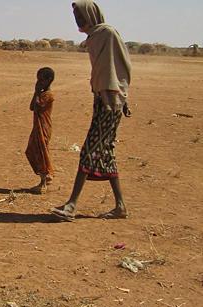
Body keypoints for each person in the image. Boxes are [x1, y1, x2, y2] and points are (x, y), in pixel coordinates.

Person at [51, 0, 132, 221]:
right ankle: (121, 207)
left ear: (92, 15)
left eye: (81, 16)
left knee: (89, 150)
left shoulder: (107, 33)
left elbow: (121, 66)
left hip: (110, 100)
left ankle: (71, 205)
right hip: (103, 99)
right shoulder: (95, 37)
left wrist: (118, 96)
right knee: (105, 151)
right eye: (76, 17)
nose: (78, 21)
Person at [26, 67, 55, 194]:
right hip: (37, 127)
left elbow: (37, 105)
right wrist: (36, 92)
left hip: (43, 127)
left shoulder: (48, 95)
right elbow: (32, 107)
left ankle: (44, 182)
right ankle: (46, 176)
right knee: (32, 150)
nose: (38, 82)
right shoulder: (42, 94)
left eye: (41, 80)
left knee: (42, 153)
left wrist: (37, 92)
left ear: (49, 80)